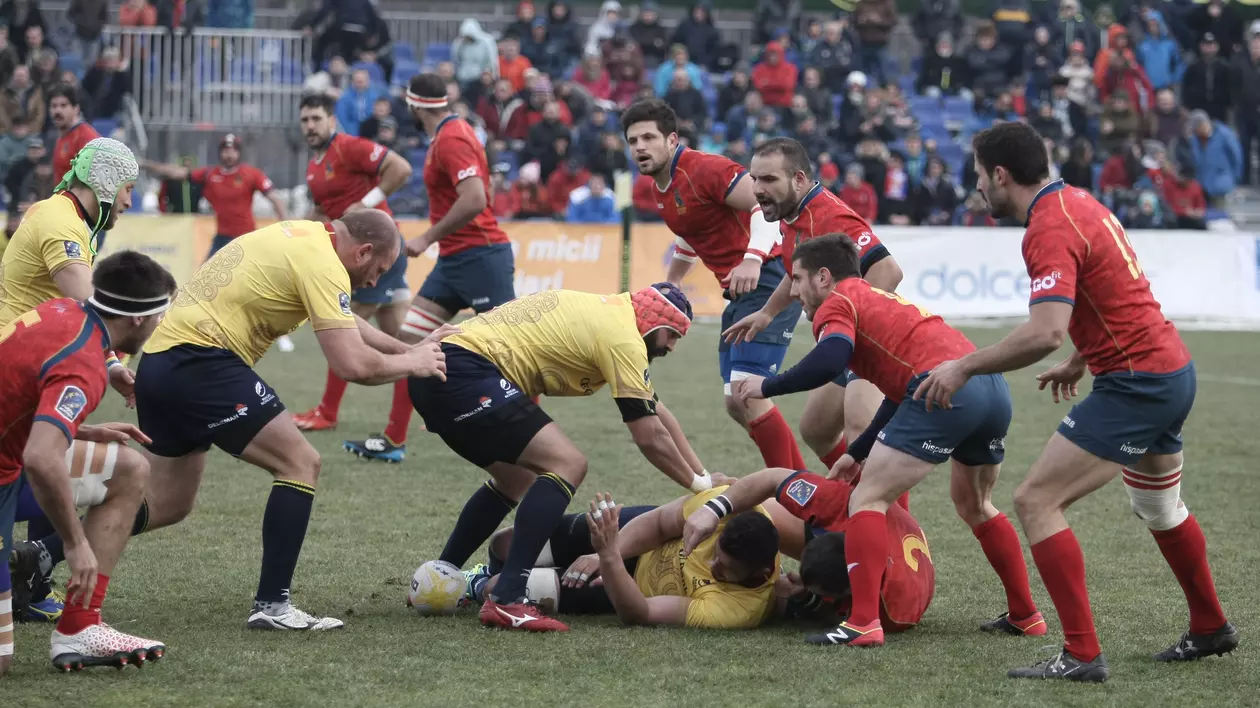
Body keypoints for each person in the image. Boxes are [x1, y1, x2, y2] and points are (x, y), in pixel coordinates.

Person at [916, 122, 1237, 682]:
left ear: (1000, 174)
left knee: (1036, 500)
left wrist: (962, 365)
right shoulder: (1077, 200)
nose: (977, 190)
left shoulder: (1046, 226)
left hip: (1138, 383)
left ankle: (1083, 656)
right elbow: (1110, 291)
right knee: (1160, 508)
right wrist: (1082, 358)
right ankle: (1210, 626)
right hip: (1168, 369)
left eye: (977, 177)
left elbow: (1044, 332)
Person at [130, 211, 449, 631]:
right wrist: (413, 362)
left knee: (168, 503)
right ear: (364, 251)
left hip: (161, 363)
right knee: (300, 462)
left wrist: (410, 346)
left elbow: (345, 320)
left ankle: (40, 554)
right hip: (201, 362)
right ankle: (272, 605)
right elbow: (352, 364)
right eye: (378, 270)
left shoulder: (308, 238)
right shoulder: (323, 261)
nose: (374, 282)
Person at [733, 234, 1043, 648]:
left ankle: (862, 622)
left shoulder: (838, 301)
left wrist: (766, 385)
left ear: (824, 277)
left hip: (947, 388)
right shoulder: (874, 299)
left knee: (867, 501)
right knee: (976, 506)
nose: (794, 290)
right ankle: (1026, 614)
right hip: (988, 387)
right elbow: (900, 392)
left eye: (798, 278)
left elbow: (830, 359)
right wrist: (857, 453)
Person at [409, 284, 711, 632]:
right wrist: (697, 488)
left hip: (435, 372)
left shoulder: (608, 314)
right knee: (569, 463)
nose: (672, 346)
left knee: (516, 479)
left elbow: (657, 411)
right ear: (653, 321)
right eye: (672, 335)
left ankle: (440, 578)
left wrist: (702, 477)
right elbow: (649, 437)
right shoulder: (624, 338)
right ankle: (508, 598)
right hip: (465, 372)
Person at [327, 72, 517, 463]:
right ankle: (395, 440)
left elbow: (477, 197)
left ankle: (525, 439)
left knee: (512, 350)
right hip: (454, 260)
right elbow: (485, 189)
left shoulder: (451, 138)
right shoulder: (453, 134)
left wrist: (426, 238)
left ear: (415, 105)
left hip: (481, 257)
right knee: (413, 345)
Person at [0, 251, 175, 675]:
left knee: (128, 468)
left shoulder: (63, 309)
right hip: (13, 470)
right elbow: (41, 459)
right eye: (159, 316)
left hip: (9, 465)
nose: (158, 326)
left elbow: (17, 392)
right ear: (137, 319)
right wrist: (75, 545)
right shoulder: (86, 363)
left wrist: (80, 429)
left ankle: (79, 627)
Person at [622, 98, 808, 473]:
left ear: (672, 139)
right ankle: (799, 484)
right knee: (734, 402)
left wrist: (753, 258)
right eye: (632, 140)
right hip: (739, 290)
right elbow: (692, 233)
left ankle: (795, 495)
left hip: (770, 275)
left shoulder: (703, 169)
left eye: (648, 137)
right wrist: (672, 281)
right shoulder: (663, 186)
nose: (640, 147)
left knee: (747, 394)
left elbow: (765, 208)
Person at [731, 137, 903, 476]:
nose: (757, 188)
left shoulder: (829, 213)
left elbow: (888, 272)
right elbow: (795, 272)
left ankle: (892, 525)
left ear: (798, 179)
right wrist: (768, 312)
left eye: (768, 180)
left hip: (875, 340)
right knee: (817, 429)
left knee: (862, 436)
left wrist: (851, 326)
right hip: (851, 340)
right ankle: (851, 500)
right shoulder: (790, 212)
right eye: (754, 179)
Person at [289, 93, 416, 460]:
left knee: (340, 327)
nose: (310, 126)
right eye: (305, 120)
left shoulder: (349, 147)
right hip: (368, 255)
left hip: (375, 256)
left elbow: (402, 168)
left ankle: (327, 413)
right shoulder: (315, 165)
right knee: (404, 341)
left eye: (316, 119)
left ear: (332, 120)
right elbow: (320, 210)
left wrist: (368, 201)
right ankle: (425, 412)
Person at [679, 466, 935, 640]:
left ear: (848, 594)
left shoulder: (889, 614)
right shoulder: (844, 505)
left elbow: (836, 618)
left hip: (900, 581)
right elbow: (772, 478)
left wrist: (805, 598)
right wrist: (714, 508)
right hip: (886, 534)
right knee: (759, 510)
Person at [475, 490, 781, 629]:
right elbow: (661, 522)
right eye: (716, 555)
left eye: (726, 570)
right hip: (635, 535)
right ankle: (485, 569)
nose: (714, 567)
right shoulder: (726, 511)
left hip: (628, 587)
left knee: (495, 587)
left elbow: (641, 613)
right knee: (505, 543)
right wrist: (608, 548)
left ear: (761, 572)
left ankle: (472, 584)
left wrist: (608, 558)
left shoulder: (738, 609)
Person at [141, 134, 288, 259]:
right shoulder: (210, 175)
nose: (229, 155)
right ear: (220, 153)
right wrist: (146, 165)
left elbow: (275, 198)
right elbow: (177, 172)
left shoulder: (252, 174)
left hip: (246, 237)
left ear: (239, 153)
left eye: (233, 151)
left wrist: (286, 227)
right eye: (225, 150)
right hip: (222, 239)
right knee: (203, 279)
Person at [47, 83, 98, 187]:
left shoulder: (86, 137)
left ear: (76, 109)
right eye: (54, 106)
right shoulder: (61, 136)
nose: (57, 111)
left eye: (63, 105)